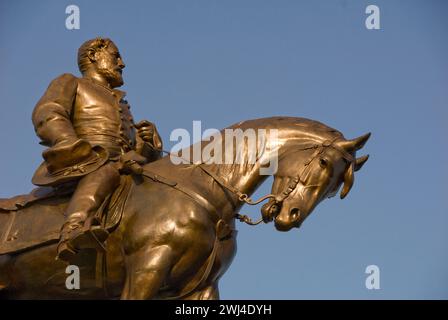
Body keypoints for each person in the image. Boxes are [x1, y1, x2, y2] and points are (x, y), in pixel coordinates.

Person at [31, 37, 163, 261]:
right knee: (106, 171)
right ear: (93, 56)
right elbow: (48, 112)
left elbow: (129, 148)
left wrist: (148, 144)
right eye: (115, 56)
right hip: (86, 160)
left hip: (124, 163)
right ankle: (73, 229)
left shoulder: (120, 102)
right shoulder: (71, 82)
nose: (122, 63)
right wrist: (69, 142)